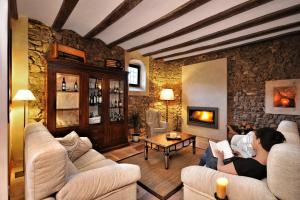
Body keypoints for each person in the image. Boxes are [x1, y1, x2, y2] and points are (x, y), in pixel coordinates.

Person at [200, 127, 286, 180]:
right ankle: (200, 165)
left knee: (210, 149)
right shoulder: (263, 162)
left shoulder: (249, 165)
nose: (252, 140)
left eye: (254, 137)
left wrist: (220, 157)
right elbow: (247, 164)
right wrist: (239, 155)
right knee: (208, 153)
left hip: (220, 165)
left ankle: (200, 169)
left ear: (259, 141)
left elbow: (220, 168)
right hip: (233, 162)